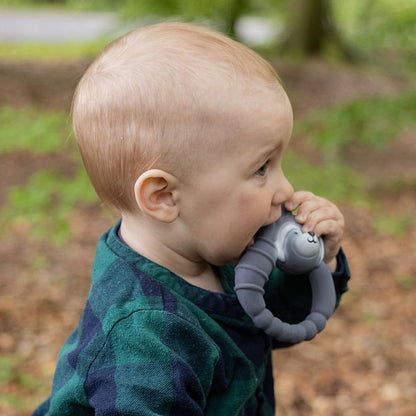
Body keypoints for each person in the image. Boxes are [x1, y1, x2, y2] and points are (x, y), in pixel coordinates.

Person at [33, 22, 350, 416]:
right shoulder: (145, 337)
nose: (285, 190)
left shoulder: (215, 252)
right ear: (164, 197)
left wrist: (316, 264)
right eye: (261, 169)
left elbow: (280, 317)